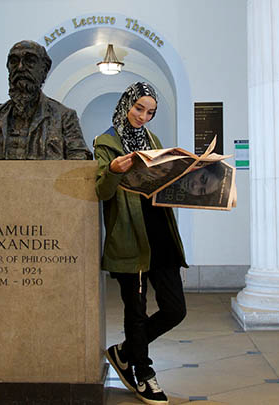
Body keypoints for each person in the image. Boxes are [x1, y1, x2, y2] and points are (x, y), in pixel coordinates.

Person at [94, 82, 187, 405]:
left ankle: (124, 352)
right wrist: (113, 171)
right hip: (129, 239)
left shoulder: (153, 141)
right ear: (126, 105)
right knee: (136, 312)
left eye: (149, 112)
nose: (142, 117)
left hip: (161, 234)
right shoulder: (105, 143)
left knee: (175, 310)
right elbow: (102, 193)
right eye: (138, 109)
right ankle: (144, 374)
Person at [0, 40, 92, 160]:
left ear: (44, 70)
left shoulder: (64, 118)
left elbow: (79, 163)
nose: (20, 67)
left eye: (30, 61)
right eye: (14, 61)